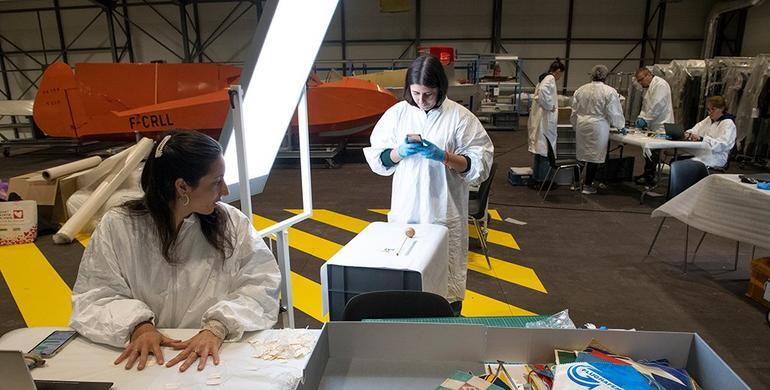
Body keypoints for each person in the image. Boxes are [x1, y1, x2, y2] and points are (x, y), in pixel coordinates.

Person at [69, 131, 281, 372]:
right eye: (216, 181)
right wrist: (139, 326)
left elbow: (260, 285)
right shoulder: (119, 227)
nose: (224, 190)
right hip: (146, 361)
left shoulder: (231, 223)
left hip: (215, 358)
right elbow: (95, 295)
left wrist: (217, 327)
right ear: (182, 187)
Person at [363, 55, 494, 316]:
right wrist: (399, 152)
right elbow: (379, 159)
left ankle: (448, 325)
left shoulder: (460, 118)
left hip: (444, 213)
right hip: (407, 211)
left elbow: (480, 164)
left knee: (446, 283)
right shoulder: (397, 115)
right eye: (416, 93)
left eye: (429, 94)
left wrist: (445, 157)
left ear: (441, 89)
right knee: (405, 277)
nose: (422, 100)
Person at [570, 65, 626, 195]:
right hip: (598, 125)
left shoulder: (581, 89)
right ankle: (588, 185)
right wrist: (620, 126)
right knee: (594, 156)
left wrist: (575, 124)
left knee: (581, 155)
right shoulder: (609, 91)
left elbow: (574, 110)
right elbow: (614, 112)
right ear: (605, 76)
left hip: (582, 124)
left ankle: (576, 183)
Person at [633, 67, 674, 185]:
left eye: (641, 80)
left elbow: (657, 105)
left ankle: (650, 177)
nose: (640, 83)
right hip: (653, 124)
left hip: (661, 125)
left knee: (654, 152)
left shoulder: (660, 85)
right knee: (649, 151)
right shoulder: (648, 87)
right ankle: (647, 174)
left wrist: (645, 119)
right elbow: (646, 106)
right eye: (639, 81)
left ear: (648, 75)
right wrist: (640, 117)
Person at [528, 59, 565, 188]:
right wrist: (550, 106)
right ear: (558, 71)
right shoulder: (550, 79)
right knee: (545, 152)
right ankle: (543, 181)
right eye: (560, 74)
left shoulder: (544, 79)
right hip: (545, 121)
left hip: (541, 120)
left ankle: (537, 178)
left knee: (540, 151)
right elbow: (543, 92)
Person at [683, 95, 736, 168]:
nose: (709, 112)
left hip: (717, 156)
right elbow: (696, 129)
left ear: (722, 109)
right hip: (702, 153)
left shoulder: (728, 123)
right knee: (677, 159)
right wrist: (688, 133)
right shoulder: (708, 119)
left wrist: (702, 139)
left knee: (687, 164)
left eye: (713, 109)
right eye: (708, 109)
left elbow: (724, 144)